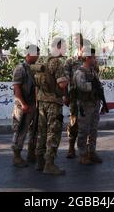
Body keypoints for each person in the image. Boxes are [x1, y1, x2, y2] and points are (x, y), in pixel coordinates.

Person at [35, 38, 69, 175]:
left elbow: (37, 84)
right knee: (53, 133)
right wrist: (67, 80)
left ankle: (40, 162)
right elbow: (61, 84)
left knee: (41, 133)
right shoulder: (57, 63)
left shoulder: (41, 61)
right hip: (54, 103)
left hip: (42, 101)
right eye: (64, 47)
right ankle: (49, 164)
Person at [11, 45, 40, 168]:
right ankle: (17, 156)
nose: (38, 56)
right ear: (28, 54)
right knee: (20, 130)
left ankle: (31, 153)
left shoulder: (35, 69)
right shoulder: (20, 69)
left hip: (33, 104)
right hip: (23, 105)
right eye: (36, 54)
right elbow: (17, 89)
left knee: (34, 130)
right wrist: (23, 104)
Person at [74, 46, 103, 165]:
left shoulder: (93, 71)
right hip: (85, 105)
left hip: (94, 104)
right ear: (87, 58)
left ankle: (92, 151)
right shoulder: (79, 72)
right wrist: (93, 86)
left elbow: (98, 85)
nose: (94, 59)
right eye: (92, 57)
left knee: (93, 129)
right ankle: (82, 154)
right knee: (83, 130)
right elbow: (81, 86)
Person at [63, 35, 86, 159]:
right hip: (74, 96)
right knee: (74, 122)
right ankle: (71, 147)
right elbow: (65, 81)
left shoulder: (90, 60)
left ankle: (87, 150)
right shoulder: (70, 61)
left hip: (88, 98)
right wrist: (65, 96)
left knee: (87, 123)